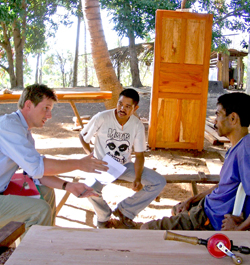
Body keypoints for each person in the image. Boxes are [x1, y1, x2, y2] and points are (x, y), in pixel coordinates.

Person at [0, 84, 108, 232]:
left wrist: (68, 186)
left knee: (46, 192)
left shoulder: (22, 131)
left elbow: (35, 172)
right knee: (39, 210)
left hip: (3, 188)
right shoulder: (9, 127)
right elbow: (37, 167)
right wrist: (79, 164)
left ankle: (40, 243)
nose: (49, 115)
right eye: (46, 108)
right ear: (29, 105)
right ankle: (32, 253)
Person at [141, 92, 250, 231]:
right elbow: (223, 186)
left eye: (218, 114)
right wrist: (192, 200)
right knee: (177, 208)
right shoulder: (236, 147)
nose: (215, 120)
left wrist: (238, 229)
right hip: (206, 208)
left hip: (209, 219)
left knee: (146, 229)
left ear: (233, 118)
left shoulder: (246, 150)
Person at [79, 88, 166, 229]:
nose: (122, 109)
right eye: (120, 104)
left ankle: (125, 211)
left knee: (158, 182)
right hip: (101, 164)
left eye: (127, 106)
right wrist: (90, 155)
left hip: (124, 166)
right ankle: (103, 217)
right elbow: (83, 136)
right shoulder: (102, 117)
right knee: (88, 188)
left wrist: (137, 178)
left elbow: (139, 155)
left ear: (135, 108)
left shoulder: (136, 125)